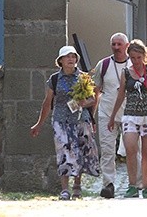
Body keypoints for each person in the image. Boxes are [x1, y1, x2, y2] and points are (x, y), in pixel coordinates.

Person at [30, 46, 100, 200]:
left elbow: (94, 98)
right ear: (60, 60)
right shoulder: (55, 79)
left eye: (73, 57)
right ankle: (64, 189)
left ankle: (77, 186)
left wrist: (84, 103)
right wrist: (39, 124)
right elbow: (48, 102)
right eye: (67, 57)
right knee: (64, 153)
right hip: (61, 121)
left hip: (81, 121)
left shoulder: (84, 78)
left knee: (80, 152)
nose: (70, 59)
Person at [108, 39, 147, 199]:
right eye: (132, 58)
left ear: (144, 56)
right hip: (130, 115)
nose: (136, 61)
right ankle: (132, 184)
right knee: (130, 148)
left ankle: (146, 186)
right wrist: (113, 117)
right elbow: (121, 96)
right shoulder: (125, 73)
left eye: (138, 57)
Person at [92, 33, 129, 199]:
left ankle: (137, 183)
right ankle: (108, 184)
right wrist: (92, 114)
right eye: (113, 44)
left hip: (130, 112)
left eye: (119, 44)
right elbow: (95, 90)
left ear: (126, 45)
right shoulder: (104, 64)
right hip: (107, 112)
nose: (116, 47)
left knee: (134, 149)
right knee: (107, 150)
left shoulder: (134, 63)